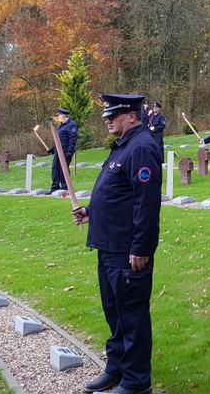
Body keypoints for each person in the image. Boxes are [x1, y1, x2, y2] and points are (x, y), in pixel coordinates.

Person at [71, 94, 162, 394]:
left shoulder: (141, 147)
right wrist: (91, 211)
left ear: (132, 116)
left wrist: (141, 247)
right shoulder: (123, 145)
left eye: (114, 115)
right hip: (108, 245)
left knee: (132, 315)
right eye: (107, 116)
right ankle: (117, 367)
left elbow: (145, 203)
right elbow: (117, 193)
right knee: (115, 312)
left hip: (127, 250)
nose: (108, 121)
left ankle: (137, 381)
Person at [49, 107, 77, 193]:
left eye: (59, 115)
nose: (58, 117)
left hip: (65, 151)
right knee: (55, 168)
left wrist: (70, 152)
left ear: (64, 115)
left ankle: (65, 187)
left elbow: (73, 139)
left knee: (63, 169)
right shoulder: (60, 125)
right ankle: (55, 187)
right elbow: (58, 139)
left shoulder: (72, 124)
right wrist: (53, 149)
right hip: (58, 151)